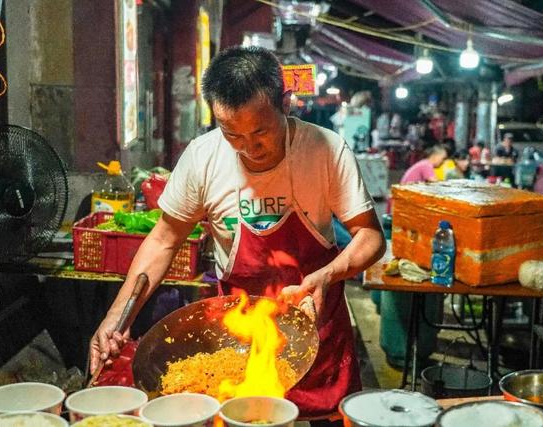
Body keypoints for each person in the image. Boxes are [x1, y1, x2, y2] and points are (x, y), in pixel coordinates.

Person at [89, 46, 386, 423]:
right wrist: (117, 318)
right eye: (232, 133)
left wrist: (328, 274)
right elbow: (164, 239)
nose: (248, 147)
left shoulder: (325, 150)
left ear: (286, 103)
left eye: (260, 131)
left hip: (319, 333)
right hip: (237, 341)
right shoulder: (203, 157)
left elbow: (371, 237)